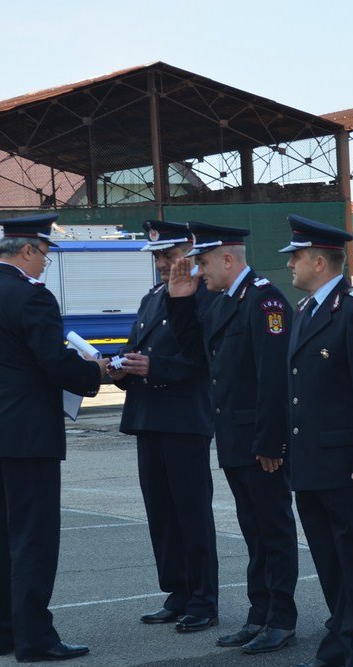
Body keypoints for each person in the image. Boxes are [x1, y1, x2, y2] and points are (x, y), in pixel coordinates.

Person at [0, 213, 106, 662]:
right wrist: (95, 372)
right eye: (43, 254)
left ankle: (3, 631)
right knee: (33, 538)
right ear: (28, 251)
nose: (45, 265)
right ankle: (35, 637)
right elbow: (54, 365)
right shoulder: (32, 298)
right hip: (28, 435)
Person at [165, 222, 300, 654]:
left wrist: (271, 441)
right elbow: (197, 353)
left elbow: (274, 378)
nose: (199, 271)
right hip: (235, 440)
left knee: (273, 531)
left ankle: (281, 618)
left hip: (260, 442)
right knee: (253, 531)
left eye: (203, 262)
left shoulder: (265, 301)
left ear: (228, 258)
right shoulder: (226, 301)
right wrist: (180, 301)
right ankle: (258, 614)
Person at [279, 214, 353, 667]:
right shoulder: (306, 310)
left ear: (319, 261)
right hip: (311, 461)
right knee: (328, 557)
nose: (291, 266)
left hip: (346, 462)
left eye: (297, 257)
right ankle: (340, 640)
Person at [114, 220, 219, 632]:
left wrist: (155, 366)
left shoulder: (204, 296)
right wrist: (119, 366)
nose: (162, 264)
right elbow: (136, 344)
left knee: (191, 512)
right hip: (148, 414)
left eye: (169, 254)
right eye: (158, 256)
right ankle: (177, 591)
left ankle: (203, 599)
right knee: (161, 511)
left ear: (190, 251)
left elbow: (204, 361)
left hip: (184, 418)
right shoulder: (152, 297)